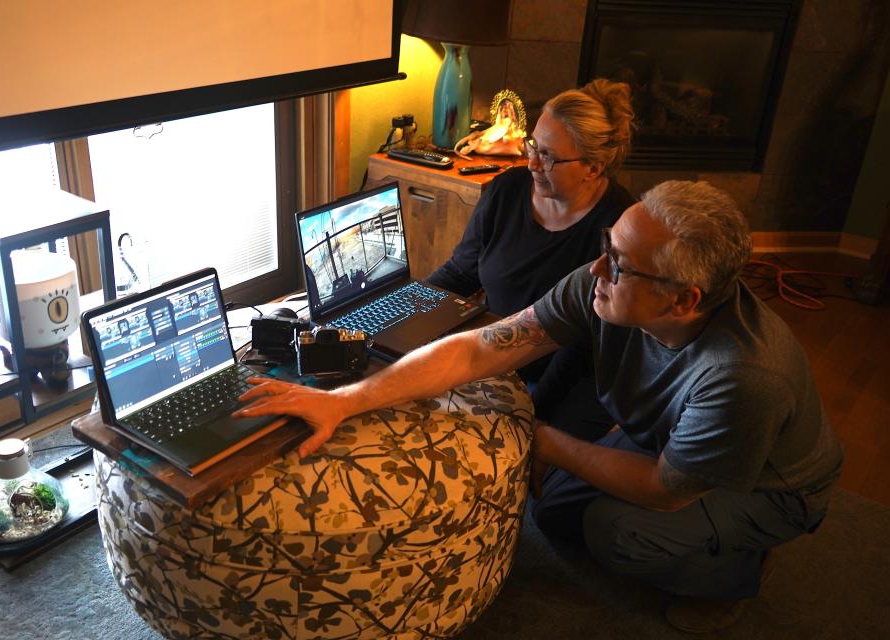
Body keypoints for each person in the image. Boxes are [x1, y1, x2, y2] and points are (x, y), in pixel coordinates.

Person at [232, 180, 843, 633]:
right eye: (607, 245)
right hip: (675, 442)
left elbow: (666, 490)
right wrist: (346, 399)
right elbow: (479, 351)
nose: (598, 266)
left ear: (683, 300)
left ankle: (737, 574)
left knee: (615, 533)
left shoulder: (742, 377)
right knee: (554, 517)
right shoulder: (605, 284)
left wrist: (543, 440)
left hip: (766, 485)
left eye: (621, 264)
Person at [427, 79, 635, 440]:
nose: (532, 163)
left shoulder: (619, 226)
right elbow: (462, 273)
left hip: (575, 375)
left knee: (528, 449)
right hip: (500, 355)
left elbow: (585, 345)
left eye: (549, 157)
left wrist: (533, 410)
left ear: (594, 168)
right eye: (533, 146)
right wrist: (408, 306)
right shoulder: (506, 190)